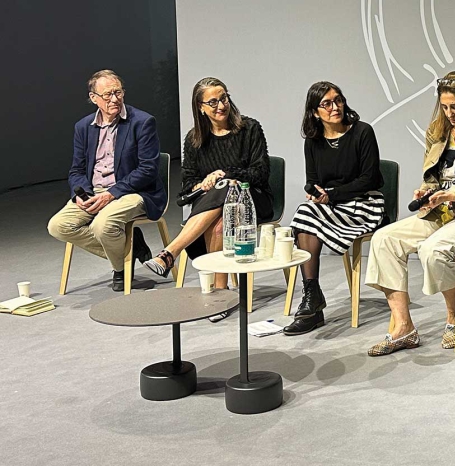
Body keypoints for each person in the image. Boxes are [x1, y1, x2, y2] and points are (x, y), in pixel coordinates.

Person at [364, 70, 455, 355]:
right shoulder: (437, 130)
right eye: (444, 106)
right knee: (384, 239)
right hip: (442, 212)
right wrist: (426, 191)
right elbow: (433, 178)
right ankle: (403, 327)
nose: (450, 113)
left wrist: (454, 196)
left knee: (433, 249)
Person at [144, 77, 273, 322]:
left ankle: (170, 253)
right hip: (214, 209)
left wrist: (227, 175)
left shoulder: (250, 128)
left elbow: (261, 172)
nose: (220, 105)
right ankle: (220, 293)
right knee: (222, 218)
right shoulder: (194, 139)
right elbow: (186, 190)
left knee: (226, 186)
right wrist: (202, 184)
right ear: (200, 108)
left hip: (253, 199)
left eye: (223, 98)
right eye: (212, 102)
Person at [48, 69, 166, 291]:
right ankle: (129, 250)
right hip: (94, 192)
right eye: (108, 95)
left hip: (134, 192)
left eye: (118, 92)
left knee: (104, 225)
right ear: (94, 98)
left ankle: (120, 271)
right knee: (58, 226)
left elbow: (148, 169)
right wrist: (80, 194)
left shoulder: (142, 122)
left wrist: (111, 194)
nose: (115, 99)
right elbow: (76, 170)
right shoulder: (83, 127)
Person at [283, 81, 385, 335]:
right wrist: (314, 191)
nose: (334, 107)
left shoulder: (362, 132)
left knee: (305, 217)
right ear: (315, 112)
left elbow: (369, 179)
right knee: (305, 212)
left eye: (338, 100)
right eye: (326, 104)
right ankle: (312, 295)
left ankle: (311, 304)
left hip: (364, 203)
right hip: (331, 205)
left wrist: (332, 194)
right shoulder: (313, 141)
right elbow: (313, 178)